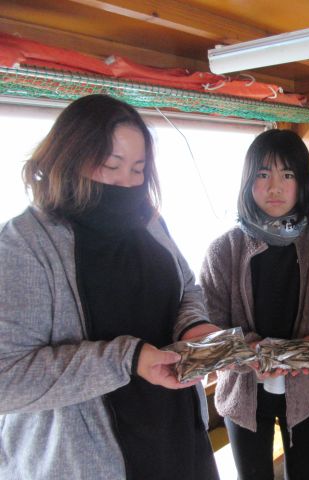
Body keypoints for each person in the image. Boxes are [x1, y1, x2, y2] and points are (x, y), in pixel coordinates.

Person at [0, 94, 220, 480]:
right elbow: (8, 378)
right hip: (81, 463)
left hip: (177, 437)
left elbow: (187, 287)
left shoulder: (149, 221)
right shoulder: (24, 244)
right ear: (69, 158)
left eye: (138, 169)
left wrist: (193, 326)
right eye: (111, 166)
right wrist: (126, 360)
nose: (126, 183)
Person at [200, 129, 309, 480]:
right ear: (247, 182)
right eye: (263, 174)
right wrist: (249, 352)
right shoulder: (223, 250)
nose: (275, 187)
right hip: (243, 393)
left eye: (288, 175)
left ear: (304, 182)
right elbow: (209, 327)